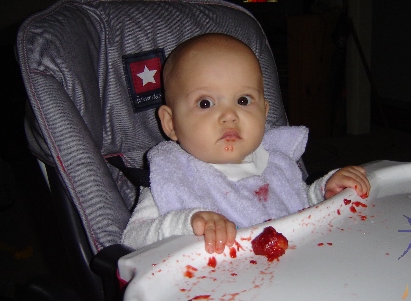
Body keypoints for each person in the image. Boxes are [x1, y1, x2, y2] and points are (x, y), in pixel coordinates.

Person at [122, 33, 370, 254]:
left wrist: (324, 192)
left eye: (243, 100)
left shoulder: (276, 163)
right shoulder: (174, 177)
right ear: (171, 123)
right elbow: (132, 239)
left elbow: (297, 205)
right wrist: (187, 223)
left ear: (264, 112)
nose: (229, 115)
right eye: (205, 103)